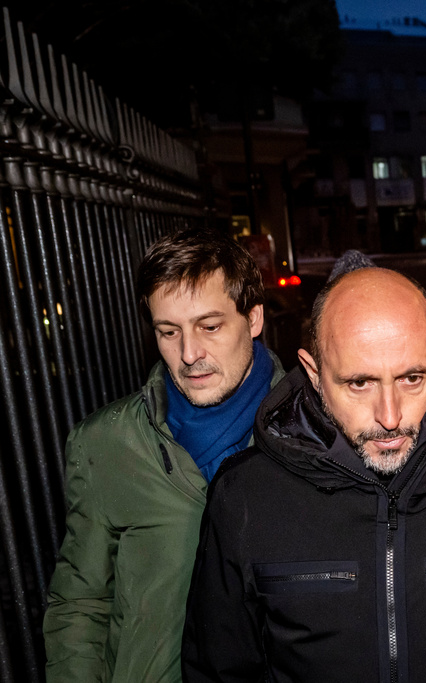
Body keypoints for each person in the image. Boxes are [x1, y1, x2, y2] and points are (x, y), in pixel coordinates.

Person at [181, 267, 426, 681]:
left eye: (412, 378)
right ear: (314, 373)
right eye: (360, 383)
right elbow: (220, 671)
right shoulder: (245, 497)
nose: (390, 416)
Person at [43, 229, 285, 683]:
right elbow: (81, 602)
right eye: (169, 332)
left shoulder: (311, 433)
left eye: (209, 327)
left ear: (253, 318)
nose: (189, 354)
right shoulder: (106, 443)